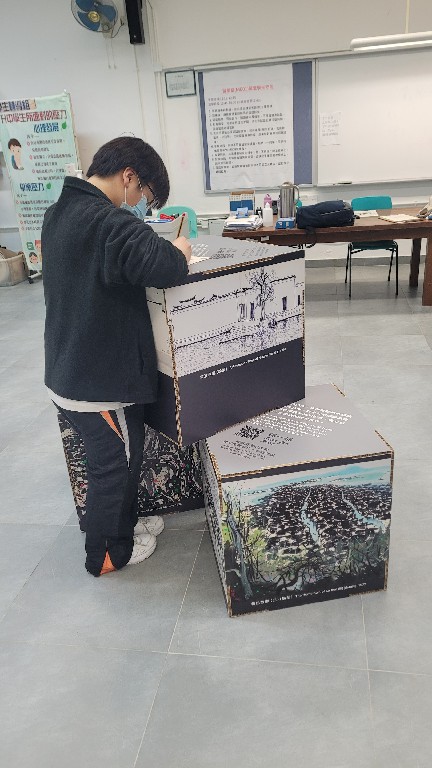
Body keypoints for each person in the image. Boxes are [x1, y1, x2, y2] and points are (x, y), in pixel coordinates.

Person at [42, 136, 191, 577]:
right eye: (145, 194)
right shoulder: (108, 222)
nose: (142, 204)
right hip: (98, 384)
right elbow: (166, 266)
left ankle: (126, 523)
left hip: (71, 369)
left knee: (124, 455)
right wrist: (180, 251)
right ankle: (107, 554)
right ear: (129, 176)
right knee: (114, 466)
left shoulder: (59, 212)